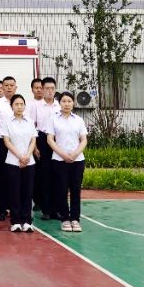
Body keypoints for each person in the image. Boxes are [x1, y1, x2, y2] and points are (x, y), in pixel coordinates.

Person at [48, 91, 88, 233]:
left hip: (77, 160)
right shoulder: (53, 119)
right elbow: (50, 139)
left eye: (69, 101)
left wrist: (75, 153)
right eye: (64, 101)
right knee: (61, 190)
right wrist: (63, 154)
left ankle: (75, 219)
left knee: (76, 190)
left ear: (73, 103)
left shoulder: (78, 120)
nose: (66, 104)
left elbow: (84, 140)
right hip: (59, 160)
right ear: (59, 103)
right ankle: (65, 219)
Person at [1, 94, 38, 232]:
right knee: (14, 192)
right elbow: (7, 142)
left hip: (29, 162)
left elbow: (33, 140)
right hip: (12, 161)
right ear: (12, 106)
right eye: (16, 104)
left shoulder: (30, 121)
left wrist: (27, 156)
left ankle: (27, 221)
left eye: (21, 104)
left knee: (27, 192)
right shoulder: (7, 122)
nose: (19, 106)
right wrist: (20, 157)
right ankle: (15, 221)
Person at [28, 76, 61, 219]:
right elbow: (31, 127)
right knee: (44, 176)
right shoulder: (36, 106)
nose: (49, 91)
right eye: (46, 88)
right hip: (42, 140)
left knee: (57, 175)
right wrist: (35, 147)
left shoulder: (60, 105)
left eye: (52, 88)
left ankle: (57, 209)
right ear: (42, 89)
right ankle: (46, 210)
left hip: (58, 141)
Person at [0, 77, 16, 222]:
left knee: (14, 176)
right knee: (0, 177)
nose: (9, 88)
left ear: (15, 87)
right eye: (6, 85)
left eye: (11, 85)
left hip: (17, 143)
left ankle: (14, 207)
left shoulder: (20, 102)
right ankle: (1, 209)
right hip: (0, 143)